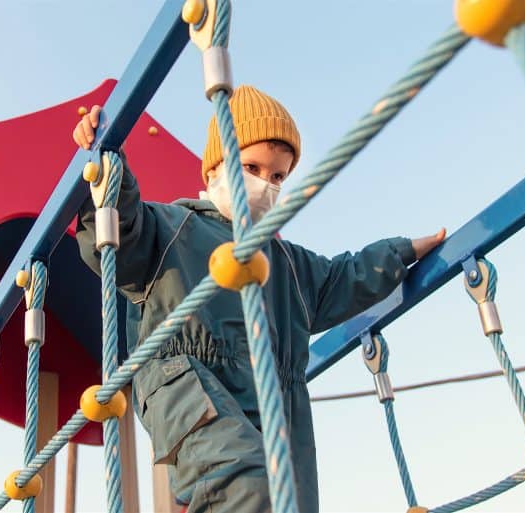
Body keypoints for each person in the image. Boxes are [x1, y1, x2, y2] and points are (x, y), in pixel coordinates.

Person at [73, 85, 445, 513]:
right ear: (214, 169)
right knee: (246, 487)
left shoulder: (287, 262)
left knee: (286, 502)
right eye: (251, 166)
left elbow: (346, 276)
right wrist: (107, 163)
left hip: (276, 403)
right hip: (187, 378)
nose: (265, 185)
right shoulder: (171, 226)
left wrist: (403, 252)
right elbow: (122, 232)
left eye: (278, 176)